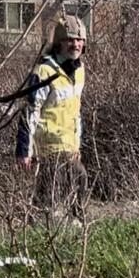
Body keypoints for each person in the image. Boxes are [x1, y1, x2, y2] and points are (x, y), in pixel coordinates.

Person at [15, 14, 88, 220]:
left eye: (79, 40)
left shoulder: (80, 71)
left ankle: (69, 226)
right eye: (70, 40)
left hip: (69, 146)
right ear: (59, 43)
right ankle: (69, 225)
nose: (76, 44)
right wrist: (24, 151)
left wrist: (77, 146)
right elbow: (29, 111)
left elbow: (76, 111)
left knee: (68, 185)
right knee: (68, 184)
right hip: (48, 146)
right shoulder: (44, 71)